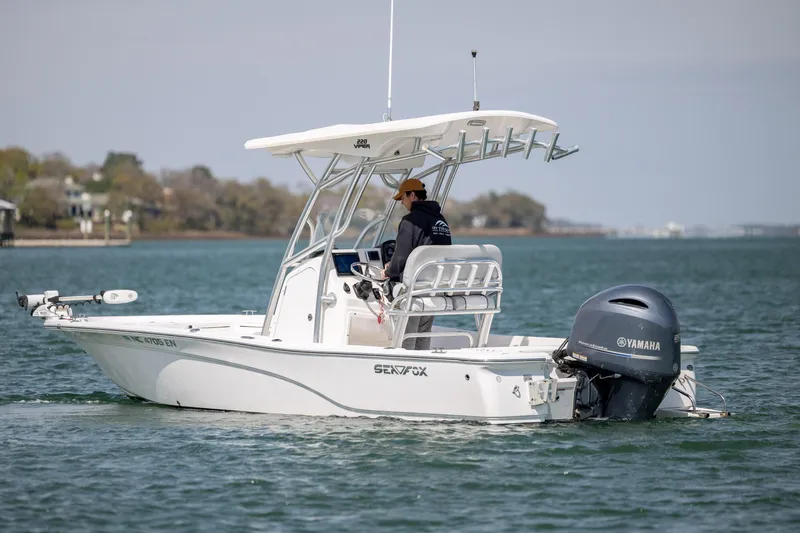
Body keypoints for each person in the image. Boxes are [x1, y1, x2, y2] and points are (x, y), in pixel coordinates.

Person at [382, 178, 451, 350]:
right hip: (435, 287)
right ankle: (423, 367)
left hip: (415, 290)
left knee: (409, 334)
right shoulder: (440, 220)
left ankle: (406, 369)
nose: (402, 203)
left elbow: (400, 259)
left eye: (403, 198)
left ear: (412, 195)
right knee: (423, 333)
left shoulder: (410, 221)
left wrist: (388, 271)